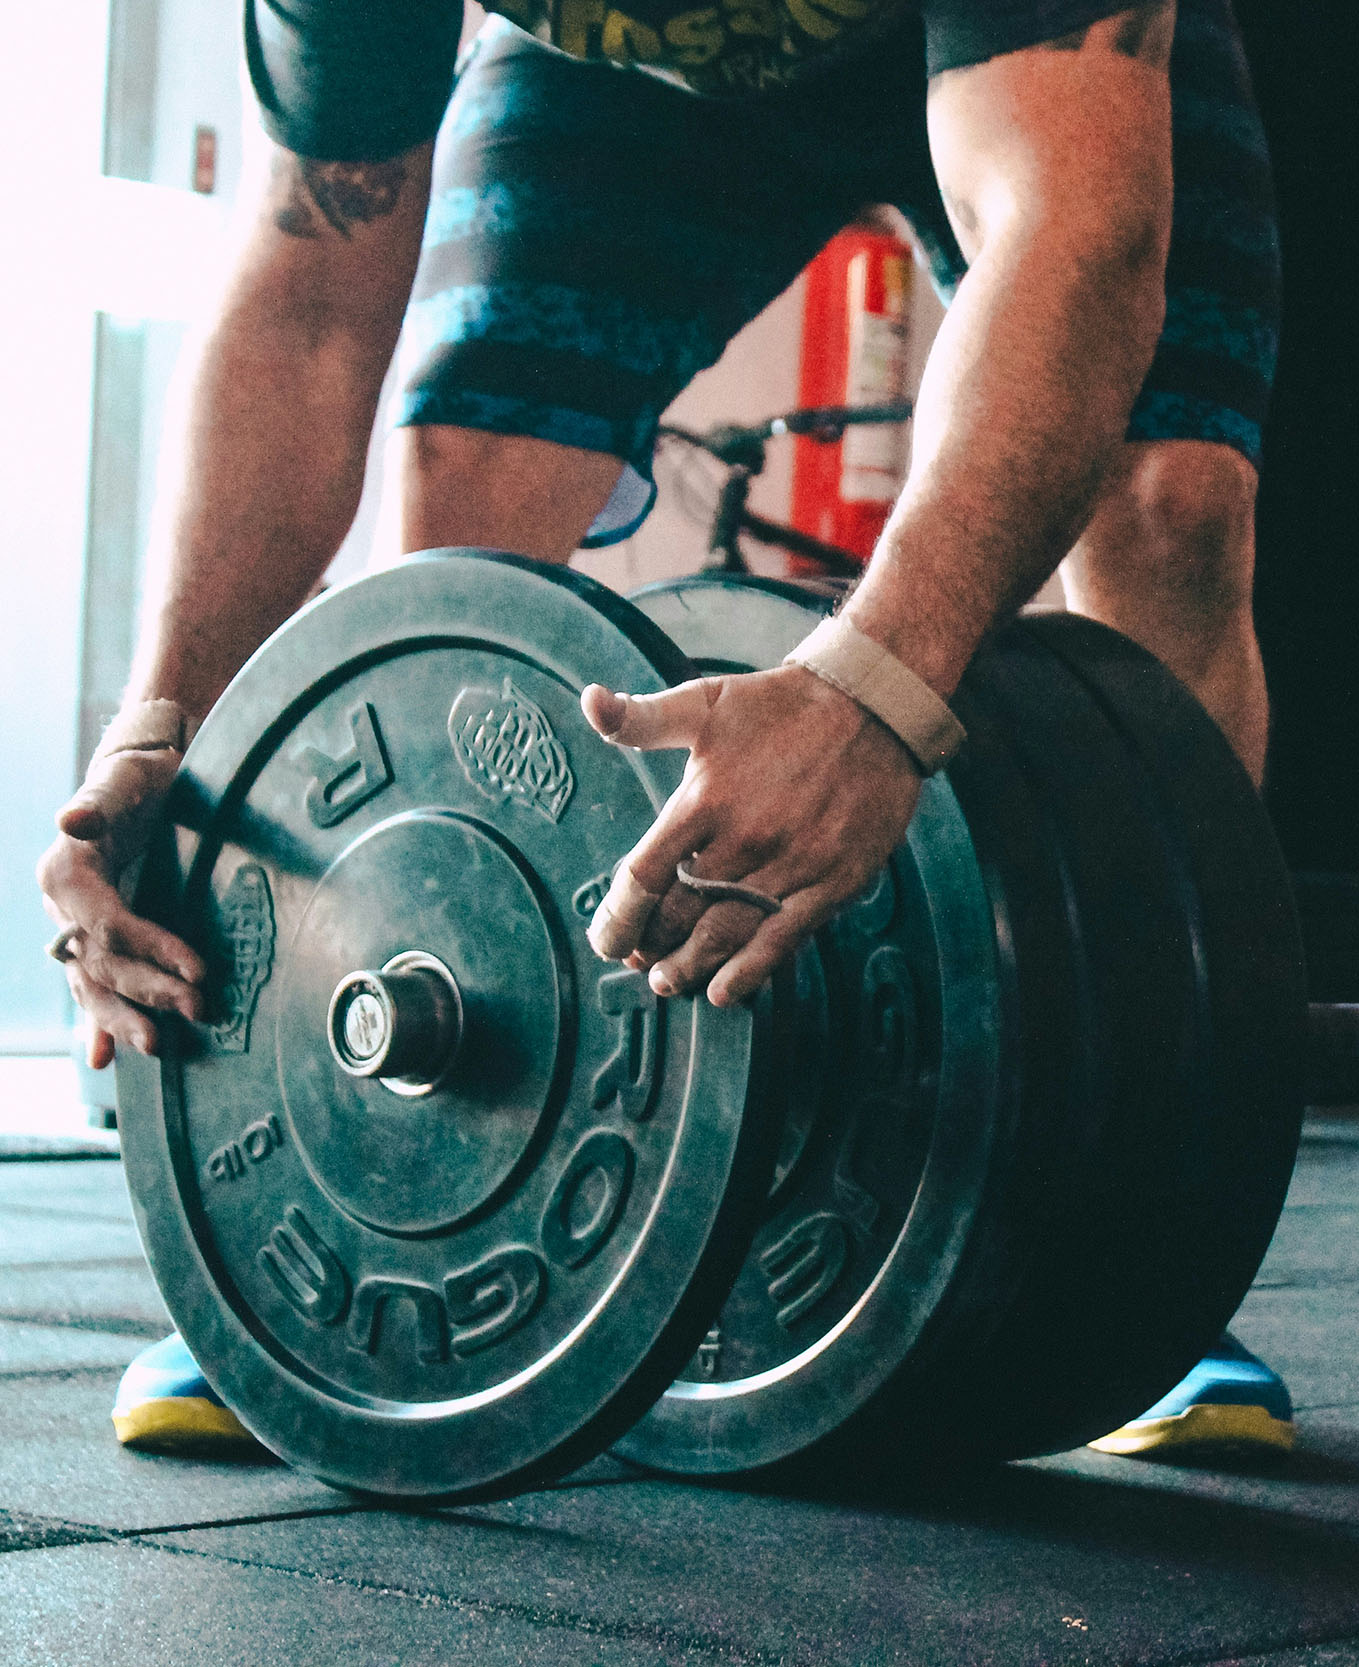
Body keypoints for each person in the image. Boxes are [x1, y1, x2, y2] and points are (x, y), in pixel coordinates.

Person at [46, 0, 1293, 1463]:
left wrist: (875, 697)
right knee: (469, 477)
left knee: (1169, 506)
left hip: (1038, 68)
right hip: (627, 89)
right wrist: (162, 735)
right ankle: (368, 1223)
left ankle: (1139, 1266)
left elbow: (1074, 243)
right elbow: (312, 293)